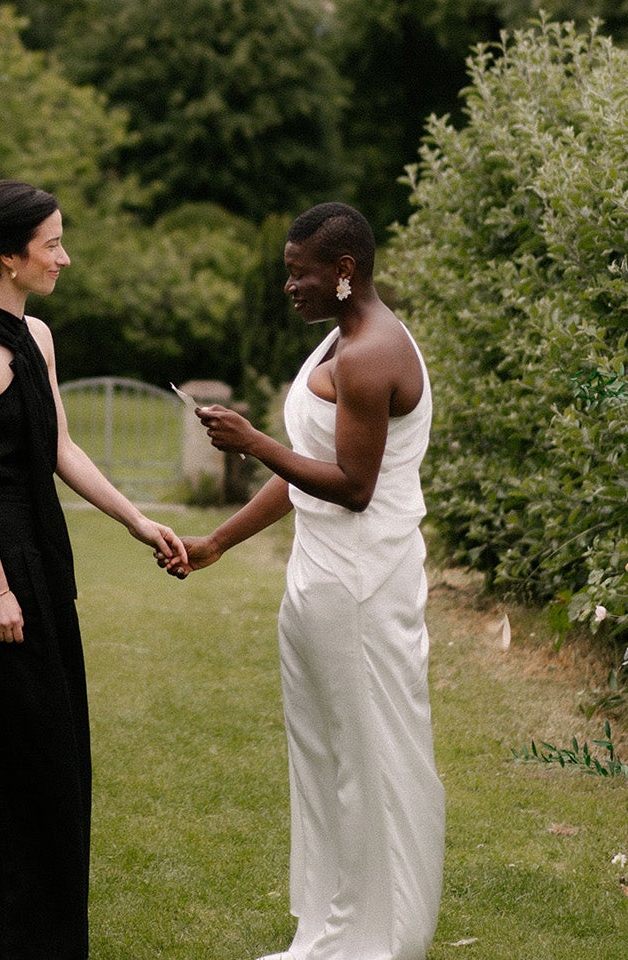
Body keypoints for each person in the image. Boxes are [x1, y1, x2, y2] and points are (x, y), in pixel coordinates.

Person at [166, 201, 445, 960]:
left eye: (300, 272)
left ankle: (379, 938)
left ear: (343, 271)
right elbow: (306, 472)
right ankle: (333, 923)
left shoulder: (370, 353)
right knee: (324, 758)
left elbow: (351, 483)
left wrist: (251, 441)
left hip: (359, 584)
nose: (288, 286)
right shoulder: (338, 338)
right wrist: (218, 540)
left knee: (367, 755)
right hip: (318, 579)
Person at [0, 179, 186, 960]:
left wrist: (139, 520)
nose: (64, 258)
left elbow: (62, 449)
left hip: (44, 560)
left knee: (52, 761)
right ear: (8, 255)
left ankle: (43, 940)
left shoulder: (36, 338)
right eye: (52, 244)